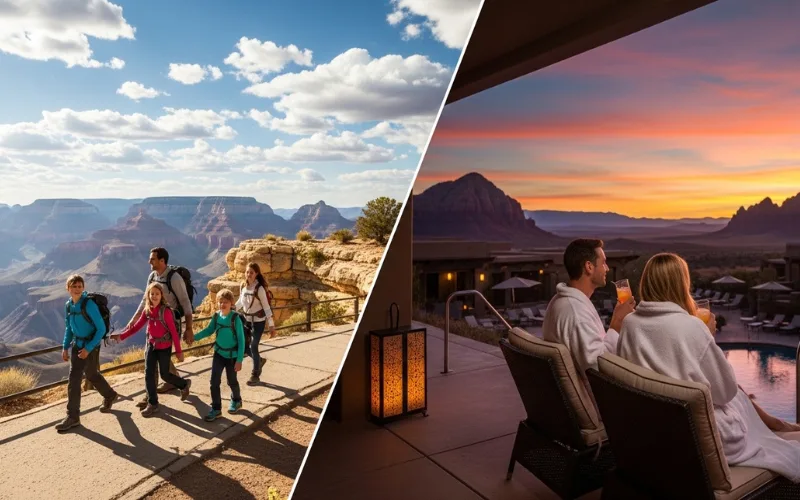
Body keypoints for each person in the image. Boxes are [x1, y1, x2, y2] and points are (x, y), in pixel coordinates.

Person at [617, 252, 800, 482]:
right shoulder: (691, 326)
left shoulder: (631, 324)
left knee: (742, 397)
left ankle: (777, 426)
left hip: (659, 428)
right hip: (701, 436)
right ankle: (777, 428)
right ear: (680, 284)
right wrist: (709, 337)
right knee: (739, 397)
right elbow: (726, 391)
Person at [542, 238, 635, 394]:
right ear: (589, 267)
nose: (606, 268)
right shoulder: (575, 313)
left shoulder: (565, 301)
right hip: (595, 399)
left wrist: (615, 323)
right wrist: (617, 324)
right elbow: (598, 367)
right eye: (603, 263)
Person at [111, 283, 192, 417]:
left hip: (164, 347)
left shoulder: (165, 311)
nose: (154, 296)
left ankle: (184, 384)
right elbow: (136, 327)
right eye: (152, 294)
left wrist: (178, 351)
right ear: (148, 296)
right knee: (149, 374)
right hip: (151, 345)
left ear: (161, 296)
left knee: (165, 374)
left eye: (157, 294)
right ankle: (153, 404)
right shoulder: (147, 311)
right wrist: (121, 336)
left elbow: (173, 332)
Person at [127, 247, 194, 406]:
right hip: (153, 323)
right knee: (150, 358)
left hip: (169, 325)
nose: (149, 261)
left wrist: (189, 328)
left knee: (158, 357)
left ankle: (157, 392)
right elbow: (145, 301)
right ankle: (156, 392)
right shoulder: (152, 276)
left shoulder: (174, 278)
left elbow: (185, 303)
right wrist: (133, 320)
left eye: (153, 259)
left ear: (162, 260)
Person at [55, 275, 119, 433]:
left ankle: (75, 415)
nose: (76, 289)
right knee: (83, 377)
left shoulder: (88, 304)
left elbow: (101, 330)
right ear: (68, 288)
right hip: (77, 345)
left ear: (83, 288)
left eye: (79, 286)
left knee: (82, 377)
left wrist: (89, 349)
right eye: (73, 286)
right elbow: (69, 328)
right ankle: (107, 396)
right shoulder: (68, 305)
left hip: (90, 345)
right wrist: (65, 347)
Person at [193, 289, 245, 422]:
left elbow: (241, 340)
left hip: (232, 356)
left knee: (231, 381)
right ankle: (216, 409)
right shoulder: (216, 316)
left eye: (225, 302)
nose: (222, 305)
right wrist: (194, 337)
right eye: (220, 302)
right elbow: (209, 330)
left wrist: (239, 360)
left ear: (231, 303)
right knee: (214, 382)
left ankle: (237, 400)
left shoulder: (235, 318)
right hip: (219, 354)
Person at [236, 262, 276, 386]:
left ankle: (255, 375)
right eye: (247, 272)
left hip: (258, 322)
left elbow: (266, 307)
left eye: (251, 272)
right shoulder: (243, 286)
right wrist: (228, 310)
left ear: (256, 274)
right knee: (244, 347)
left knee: (253, 346)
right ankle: (259, 361)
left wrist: (271, 325)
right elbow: (240, 303)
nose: (249, 275)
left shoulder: (260, 289)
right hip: (246, 321)